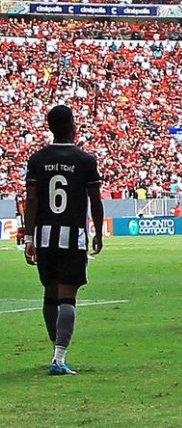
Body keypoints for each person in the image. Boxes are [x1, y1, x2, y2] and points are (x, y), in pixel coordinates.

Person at [22, 105, 104, 375]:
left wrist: (29, 236)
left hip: (44, 237)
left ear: (49, 127)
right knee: (67, 295)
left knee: (50, 292)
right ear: (72, 126)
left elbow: (31, 200)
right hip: (72, 237)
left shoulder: (37, 160)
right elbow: (95, 200)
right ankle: (59, 357)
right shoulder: (85, 160)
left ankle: (55, 349)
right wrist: (99, 233)